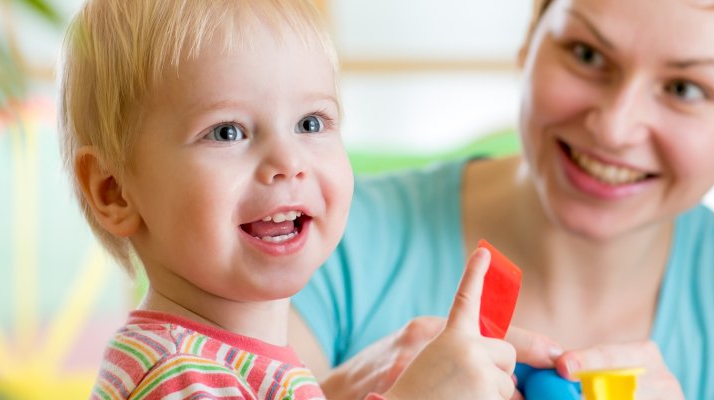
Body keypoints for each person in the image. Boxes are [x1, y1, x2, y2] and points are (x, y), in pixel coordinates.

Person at [290, 0, 714, 398]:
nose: (615, 127)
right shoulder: (326, 234)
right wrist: (339, 392)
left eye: (684, 89)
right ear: (532, 33)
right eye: (586, 54)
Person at [60, 0, 520, 398]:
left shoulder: (235, 364)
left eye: (311, 123)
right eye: (227, 131)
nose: (288, 160)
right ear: (114, 191)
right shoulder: (179, 376)